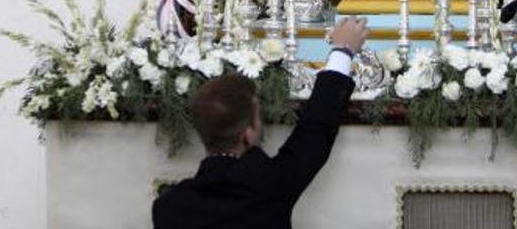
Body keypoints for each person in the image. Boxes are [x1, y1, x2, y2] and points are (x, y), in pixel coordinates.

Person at [152, 16, 369, 229]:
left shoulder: (168, 207)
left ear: (201, 131)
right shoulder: (270, 187)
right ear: (248, 133)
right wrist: (343, 51)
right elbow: (315, 129)